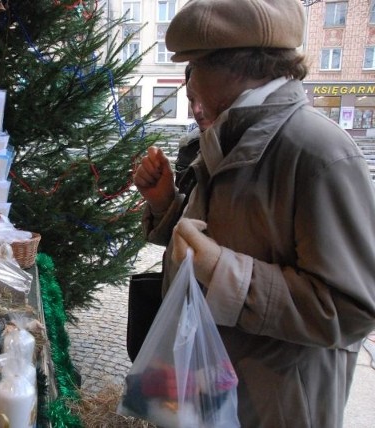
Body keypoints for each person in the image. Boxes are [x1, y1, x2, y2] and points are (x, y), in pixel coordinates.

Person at [133, 0, 375, 426]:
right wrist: (164, 202)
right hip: (204, 387)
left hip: (273, 404)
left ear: (235, 66)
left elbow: (353, 309)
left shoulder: (318, 152)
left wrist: (225, 271)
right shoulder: (218, 137)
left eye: (194, 65)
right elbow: (211, 235)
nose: (190, 89)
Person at [174, 63, 213, 196]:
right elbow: (183, 208)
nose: (196, 109)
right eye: (191, 100)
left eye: (204, 98)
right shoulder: (188, 145)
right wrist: (163, 199)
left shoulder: (245, 146)